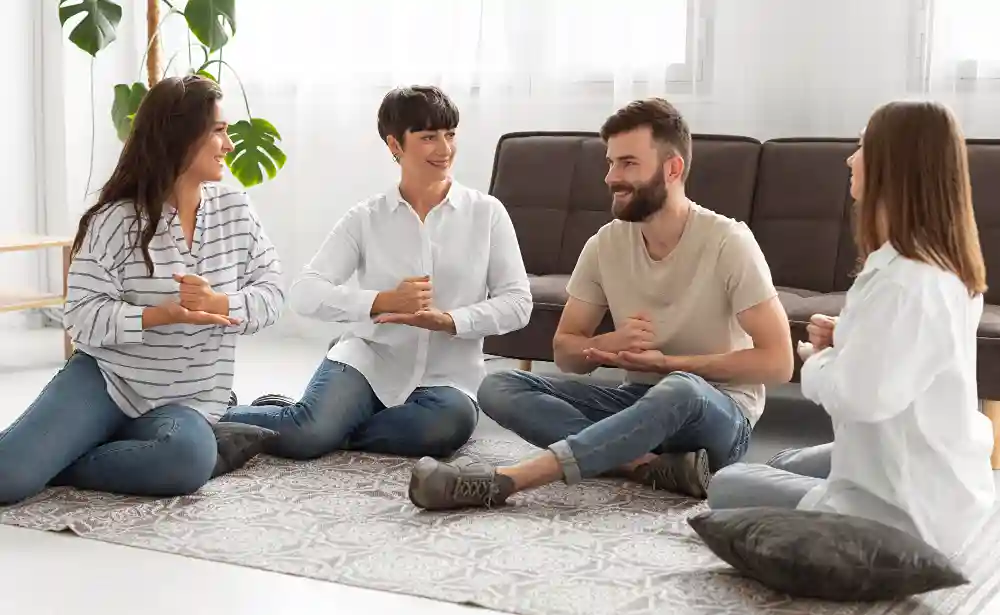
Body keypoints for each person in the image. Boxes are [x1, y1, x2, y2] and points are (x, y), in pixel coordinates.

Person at [407, 97, 794, 511]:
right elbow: (566, 352)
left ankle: (506, 481)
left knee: (679, 389)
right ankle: (644, 466)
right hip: (637, 401)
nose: (611, 177)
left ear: (673, 168)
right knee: (498, 386)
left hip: (717, 415)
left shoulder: (728, 242)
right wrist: (605, 344)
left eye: (628, 164)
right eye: (610, 163)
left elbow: (778, 362)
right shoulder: (605, 244)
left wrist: (670, 364)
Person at [706, 100, 996, 559]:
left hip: (903, 513)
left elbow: (860, 396)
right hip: (939, 474)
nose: (849, 159)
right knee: (783, 462)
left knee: (726, 483)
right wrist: (849, 334)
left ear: (892, 165)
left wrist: (817, 359)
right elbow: (910, 351)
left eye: (862, 146)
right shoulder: (944, 270)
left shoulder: (904, 282)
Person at [0, 75, 285, 505]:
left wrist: (222, 303)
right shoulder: (114, 220)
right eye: (219, 131)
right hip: (106, 382)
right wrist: (159, 315)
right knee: (8, 478)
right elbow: (79, 316)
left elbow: (274, 293)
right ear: (181, 136)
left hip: (187, 399)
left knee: (186, 459)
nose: (229, 144)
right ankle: (66, 447)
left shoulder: (236, 210)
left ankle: (67, 456)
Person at [221, 85, 531, 460]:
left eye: (450, 135)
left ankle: (320, 422)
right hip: (369, 360)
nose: (444, 149)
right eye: (428, 137)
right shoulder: (366, 218)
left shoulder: (487, 213)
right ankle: (214, 412)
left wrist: (450, 320)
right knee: (306, 438)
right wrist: (381, 301)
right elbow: (305, 292)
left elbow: (517, 303)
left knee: (442, 430)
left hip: (447, 380)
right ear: (394, 145)